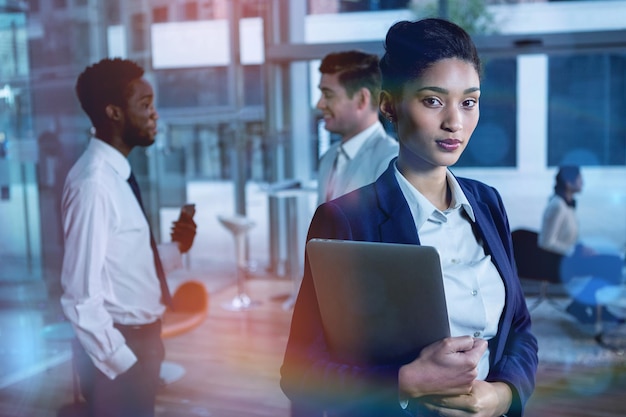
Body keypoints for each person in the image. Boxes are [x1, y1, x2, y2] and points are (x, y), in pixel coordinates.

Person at [281, 18, 538, 417]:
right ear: (389, 105)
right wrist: (405, 381)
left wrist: (501, 395)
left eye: (468, 102)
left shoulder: (488, 203)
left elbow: (520, 329)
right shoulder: (346, 220)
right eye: (433, 100)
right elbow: (299, 372)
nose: (455, 122)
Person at [60, 58, 197, 417]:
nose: (155, 114)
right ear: (114, 113)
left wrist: (177, 248)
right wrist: (124, 363)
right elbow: (79, 296)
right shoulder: (93, 184)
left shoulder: (116, 175)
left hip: (143, 340)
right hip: (121, 349)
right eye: (145, 104)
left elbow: (123, 261)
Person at [538, 165, 623, 323]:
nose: (583, 183)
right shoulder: (557, 205)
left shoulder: (567, 205)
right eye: (580, 180)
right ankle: (581, 305)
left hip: (568, 257)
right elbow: (546, 242)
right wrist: (575, 251)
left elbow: (566, 238)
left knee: (614, 259)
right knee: (611, 264)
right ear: (569, 183)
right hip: (558, 263)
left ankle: (593, 307)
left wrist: (581, 248)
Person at [316, 50, 398, 205]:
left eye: (328, 95)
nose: (319, 104)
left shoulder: (391, 162)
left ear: (362, 99)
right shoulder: (328, 158)